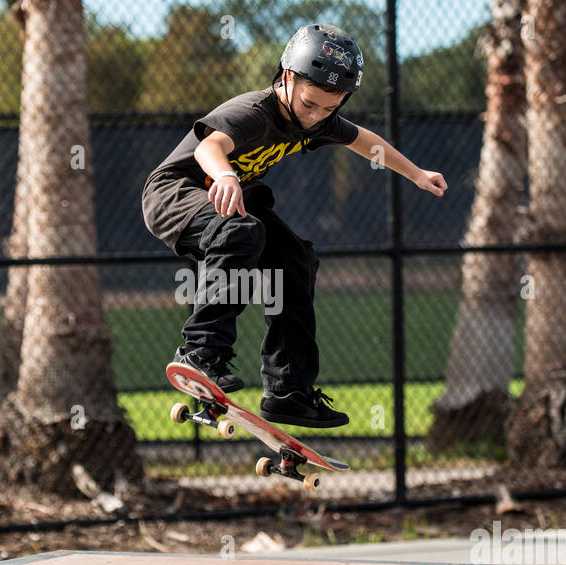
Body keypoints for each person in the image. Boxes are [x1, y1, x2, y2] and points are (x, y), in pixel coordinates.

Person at [142, 23, 447, 428]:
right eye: (310, 104)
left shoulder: (317, 119)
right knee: (239, 232)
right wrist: (228, 176)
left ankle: (289, 392)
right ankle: (200, 353)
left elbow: (363, 141)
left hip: (234, 198)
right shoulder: (254, 111)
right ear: (287, 77)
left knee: (295, 260)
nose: (317, 116)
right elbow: (209, 146)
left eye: (329, 108)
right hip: (175, 193)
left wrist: (416, 174)